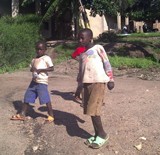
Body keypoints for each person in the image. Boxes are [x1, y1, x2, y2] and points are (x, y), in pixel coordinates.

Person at [77, 28, 114, 149]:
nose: (80, 40)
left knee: (94, 110)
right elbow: (81, 72)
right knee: (90, 110)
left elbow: (106, 63)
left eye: (82, 37)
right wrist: (79, 87)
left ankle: (102, 135)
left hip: (98, 83)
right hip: (87, 84)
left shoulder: (98, 48)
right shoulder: (82, 54)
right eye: (79, 38)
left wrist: (111, 79)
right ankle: (97, 133)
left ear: (90, 38)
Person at [11, 40, 54, 123]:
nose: (39, 51)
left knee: (45, 99)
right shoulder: (34, 59)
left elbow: (52, 68)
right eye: (37, 49)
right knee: (27, 97)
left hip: (42, 82)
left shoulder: (46, 58)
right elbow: (31, 68)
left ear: (45, 49)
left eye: (41, 49)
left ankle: (51, 115)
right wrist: (33, 69)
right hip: (33, 82)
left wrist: (41, 70)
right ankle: (22, 114)